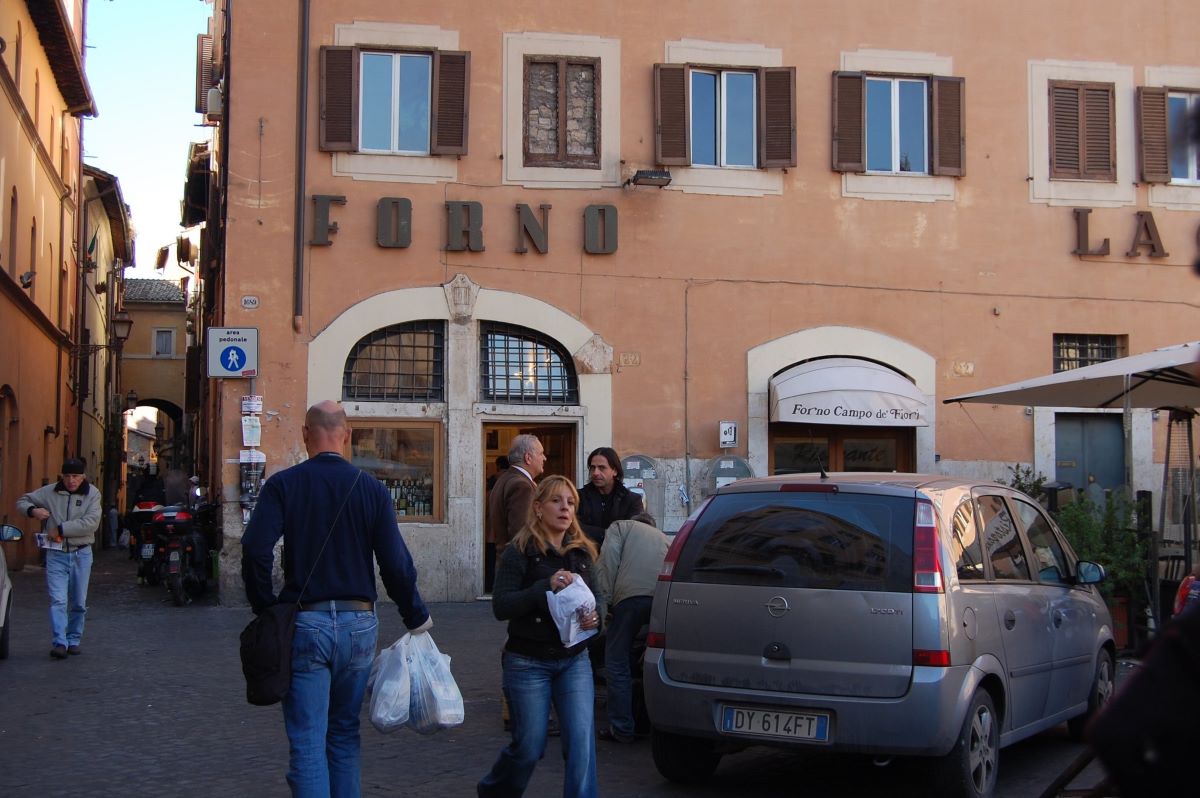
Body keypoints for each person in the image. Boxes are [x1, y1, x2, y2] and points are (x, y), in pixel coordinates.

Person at [242, 400, 432, 798]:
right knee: (345, 734)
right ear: (347, 436)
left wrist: (266, 608)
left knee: (309, 741)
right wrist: (415, 615)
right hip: (359, 622)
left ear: (305, 434)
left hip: (307, 622)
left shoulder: (283, 485)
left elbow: (256, 549)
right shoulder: (372, 489)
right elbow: (396, 564)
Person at [478, 475, 601, 798]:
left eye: (571, 502)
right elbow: (501, 606)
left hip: (574, 660)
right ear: (538, 507)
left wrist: (595, 618)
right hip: (527, 662)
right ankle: (495, 790)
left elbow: (599, 601)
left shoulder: (583, 553)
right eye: (556, 501)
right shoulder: (520, 552)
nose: (565, 508)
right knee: (529, 747)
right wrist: (543, 587)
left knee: (580, 744)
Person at [592, 511, 669, 743]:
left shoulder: (622, 526)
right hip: (662, 602)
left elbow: (608, 563)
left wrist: (603, 606)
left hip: (629, 600)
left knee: (616, 662)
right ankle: (657, 723)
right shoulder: (667, 539)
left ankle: (622, 727)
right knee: (656, 661)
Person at [17, 457, 101, 659]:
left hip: (81, 553)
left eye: (75, 476)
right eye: (67, 476)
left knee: (79, 602)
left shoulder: (92, 494)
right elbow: (22, 501)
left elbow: (91, 523)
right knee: (58, 600)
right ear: (62, 477)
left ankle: (73, 639)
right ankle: (60, 642)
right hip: (56, 554)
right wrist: (33, 511)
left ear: (83, 477)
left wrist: (61, 528)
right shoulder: (50, 492)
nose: (71, 480)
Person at [486, 435, 546, 587]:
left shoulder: (506, 479)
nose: (544, 458)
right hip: (519, 570)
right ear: (528, 458)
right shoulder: (522, 486)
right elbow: (521, 533)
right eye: (541, 453)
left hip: (506, 563)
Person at [577, 447, 643, 546]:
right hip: (584, 557)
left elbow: (632, 534)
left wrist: (593, 532)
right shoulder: (579, 497)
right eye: (592, 467)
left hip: (618, 559)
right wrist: (609, 533)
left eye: (602, 468)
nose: (595, 473)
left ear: (615, 471)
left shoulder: (632, 500)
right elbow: (574, 528)